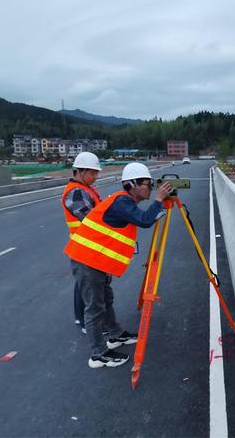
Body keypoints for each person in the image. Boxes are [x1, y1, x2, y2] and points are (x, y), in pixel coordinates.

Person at [65, 162, 173, 368]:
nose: (150, 188)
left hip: (96, 260)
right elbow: (144, 220)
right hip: (87, 259)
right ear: (132, 185)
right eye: (147, 184)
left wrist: (157, 204)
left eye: (151, 184)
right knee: (95, 307)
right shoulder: (121, 201)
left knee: (106, 298)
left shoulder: (124, 202)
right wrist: (159, 200)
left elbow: (143, 217)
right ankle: (98, 354)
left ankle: (115, 334)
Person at [60, 152, 103, 333]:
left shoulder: (84, 190)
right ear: (80, 171)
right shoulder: (76, 193)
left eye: (96, 173)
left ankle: (82, 319)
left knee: (82, 285)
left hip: (87, 245)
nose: (95, 177)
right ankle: (86, 323)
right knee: (86, 286)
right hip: (84, 246)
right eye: (92, 173)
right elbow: (90, 218)